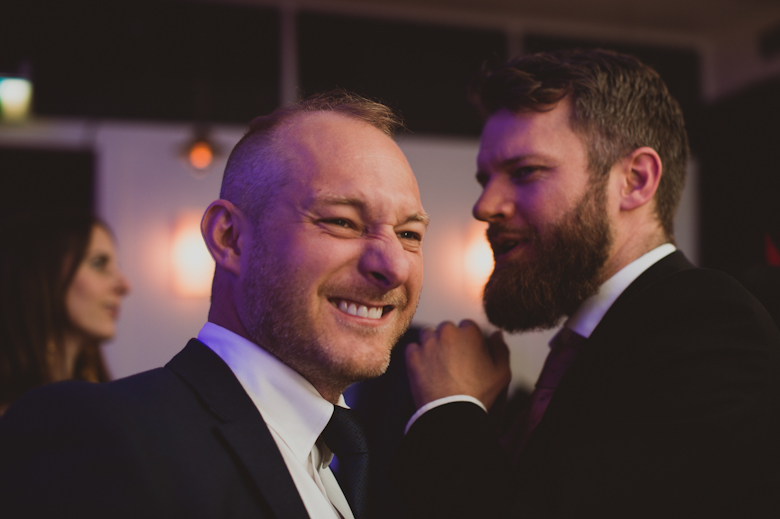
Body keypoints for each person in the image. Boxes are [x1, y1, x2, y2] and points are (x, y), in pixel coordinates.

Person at [0, 91, 427, 519]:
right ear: (230, 239)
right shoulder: (100, 434)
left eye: (409, 234)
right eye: (342, 222)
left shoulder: (346, 463)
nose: (392, 266)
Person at [391, 50, 780, 518]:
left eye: (525, 172)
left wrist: (450, 408)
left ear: (635, 180)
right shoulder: (590, 348)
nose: (485, 205)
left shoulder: (707, 324)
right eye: (485, 178)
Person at [0, 212, 130, 415]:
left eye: (117, 268)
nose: (124, 286)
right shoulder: (13, 425)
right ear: (41, 274)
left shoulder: (97, 407)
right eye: (98, 263)